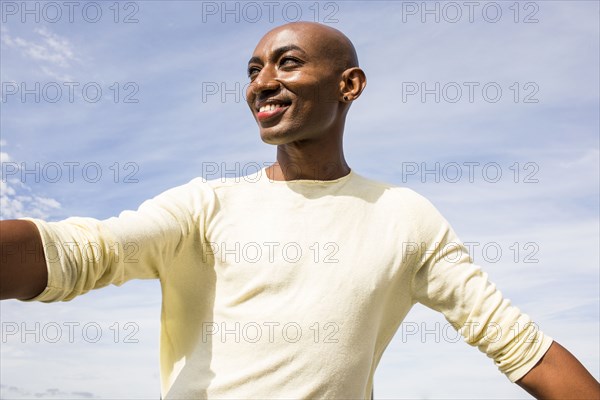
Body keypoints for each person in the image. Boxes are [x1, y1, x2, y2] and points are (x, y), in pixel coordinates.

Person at [1, 21, 598, 400]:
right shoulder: (206, 204)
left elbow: (518, 345)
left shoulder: (404, 215)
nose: (261, 81)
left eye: (287, 63)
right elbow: (85, 252)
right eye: (254, 69)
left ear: (349, 85)